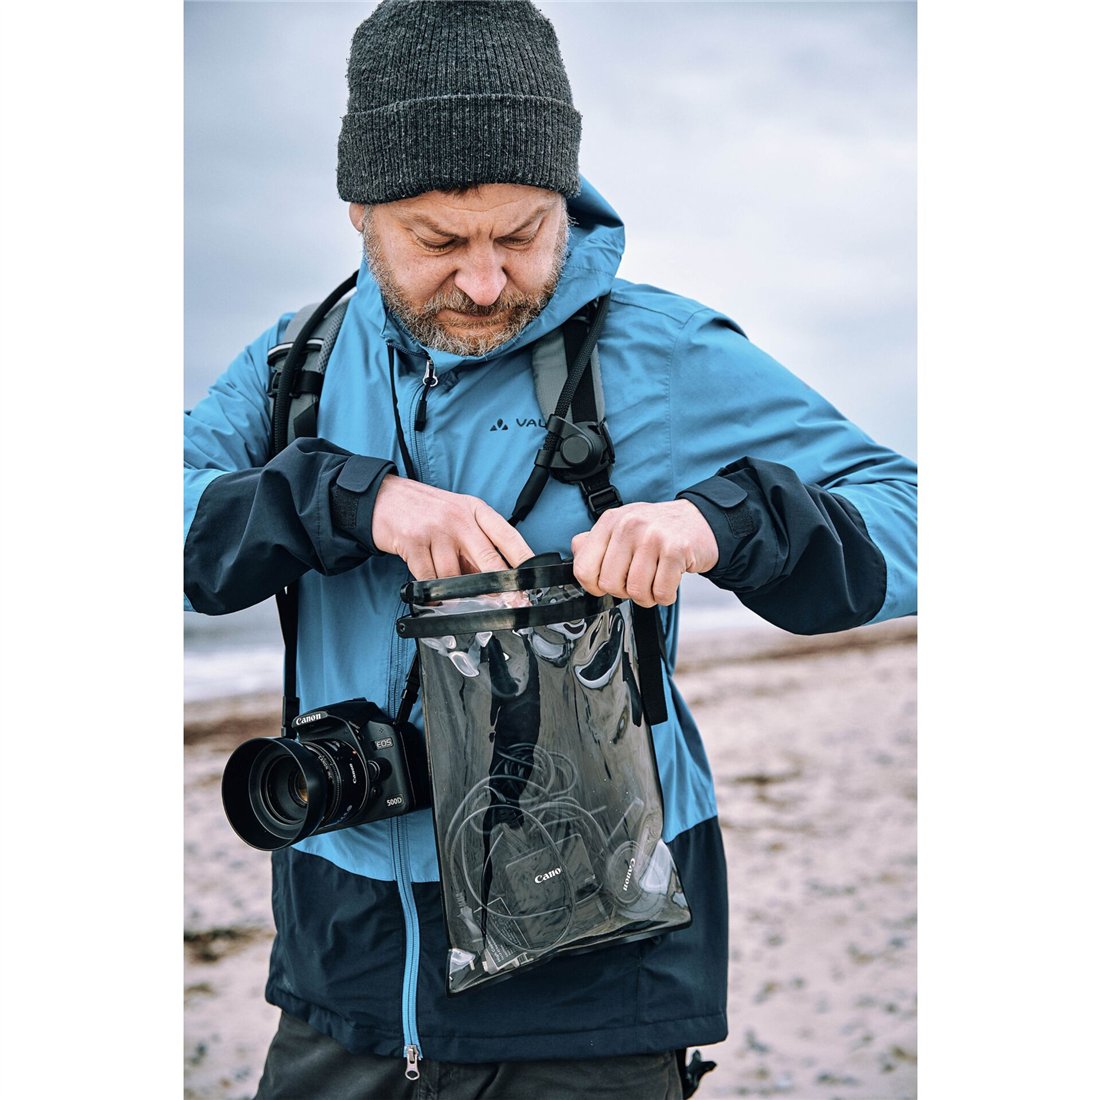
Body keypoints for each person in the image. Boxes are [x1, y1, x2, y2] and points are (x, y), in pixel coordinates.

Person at [183, 1, 918, 1097]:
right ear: (360, 213)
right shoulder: (296, 362)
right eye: (439, 242)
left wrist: (720, 524)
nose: (485, 282)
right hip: (345, 954)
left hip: (598, 957)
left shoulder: (659, 350)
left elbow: (911, 511)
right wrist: (348, 501)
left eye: (523, 234)